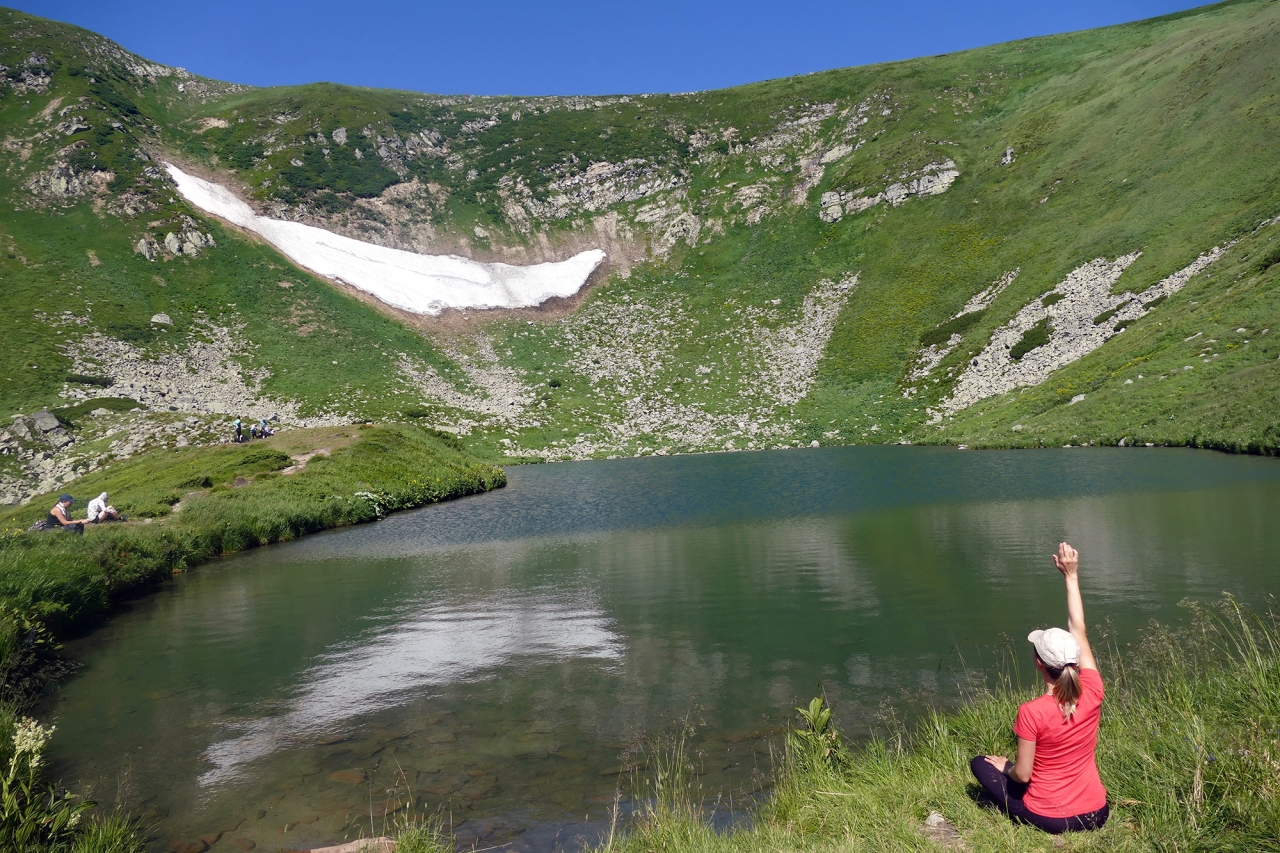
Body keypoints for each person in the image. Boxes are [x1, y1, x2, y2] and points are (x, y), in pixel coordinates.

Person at [970, 542, 1109, 833]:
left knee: (982, 764)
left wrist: (1005, 766)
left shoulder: (1032, 711)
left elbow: (1022, 775)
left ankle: (1004, 806)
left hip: (1053, 819)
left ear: (1038, 663)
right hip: (1098, 812)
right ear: (1074, 661)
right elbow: (1079, 629)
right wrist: (1071, 577)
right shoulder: (1093, 689)